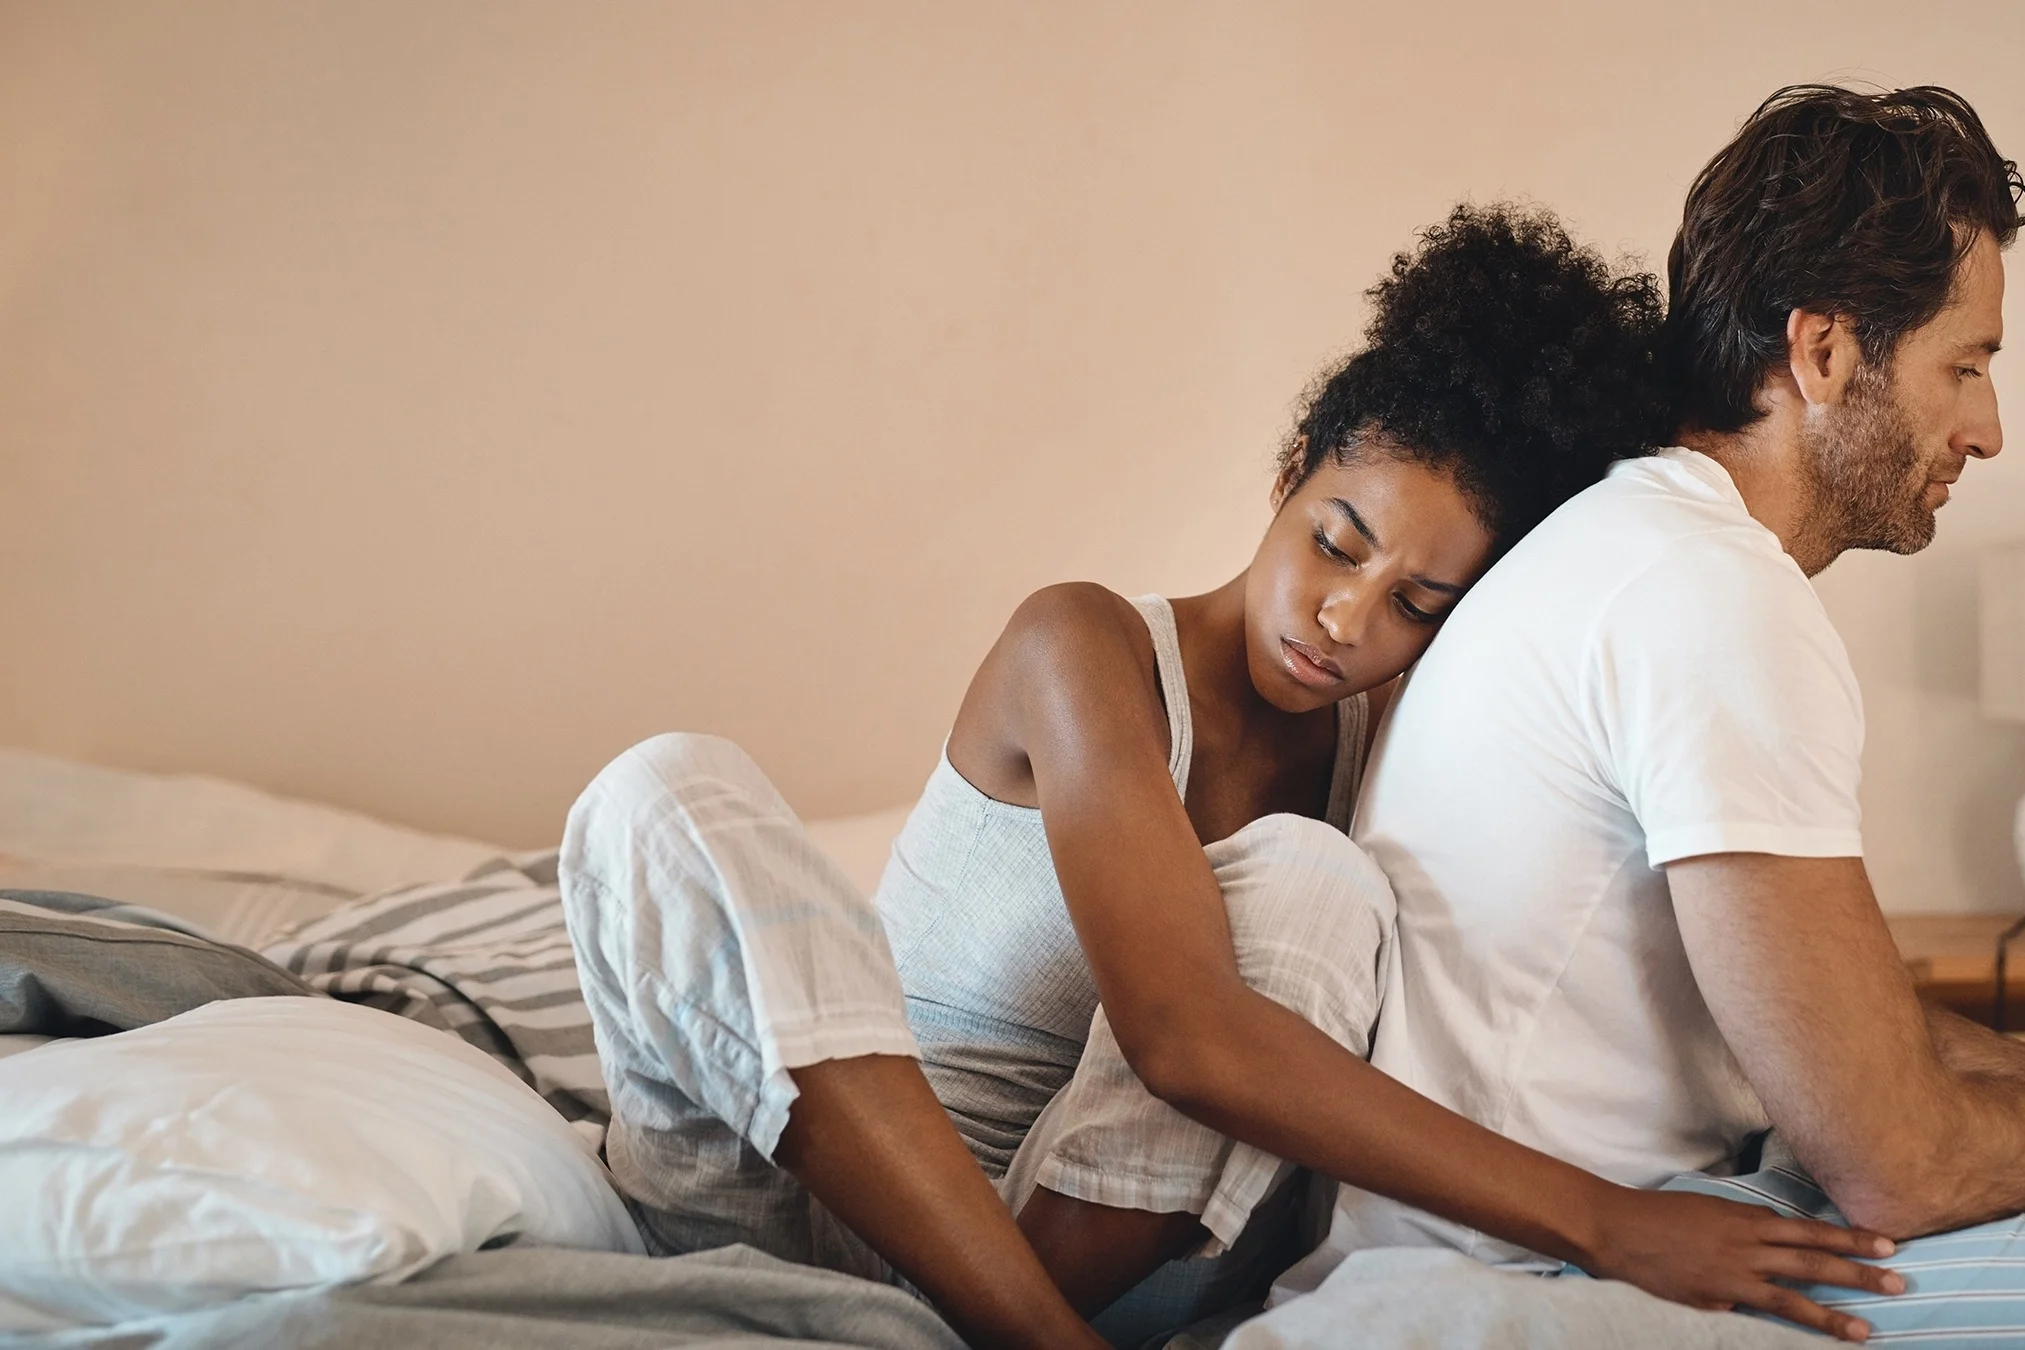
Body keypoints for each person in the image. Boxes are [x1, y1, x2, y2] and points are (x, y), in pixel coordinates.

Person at [557, 203, 1903, 1350]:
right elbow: (1183, 1033)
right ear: (1284, 477)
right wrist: (1602, 1220)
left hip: (1084, 1257)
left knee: (1321, 884)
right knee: (668, 789)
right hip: (801, 1205)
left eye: (1417, 602)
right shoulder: (1079, 645)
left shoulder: (1401, 753)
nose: (1344, 617)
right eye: (1336, 541)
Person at [1277, 84, 2025, 1343]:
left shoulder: (1650, 543)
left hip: (1615, 1210)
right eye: (1962, 365)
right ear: (1822, 354)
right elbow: (1900, 1160)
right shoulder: (1711, 596)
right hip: (1528, 1276)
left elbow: (1843, 1026)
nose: (1988, 427)